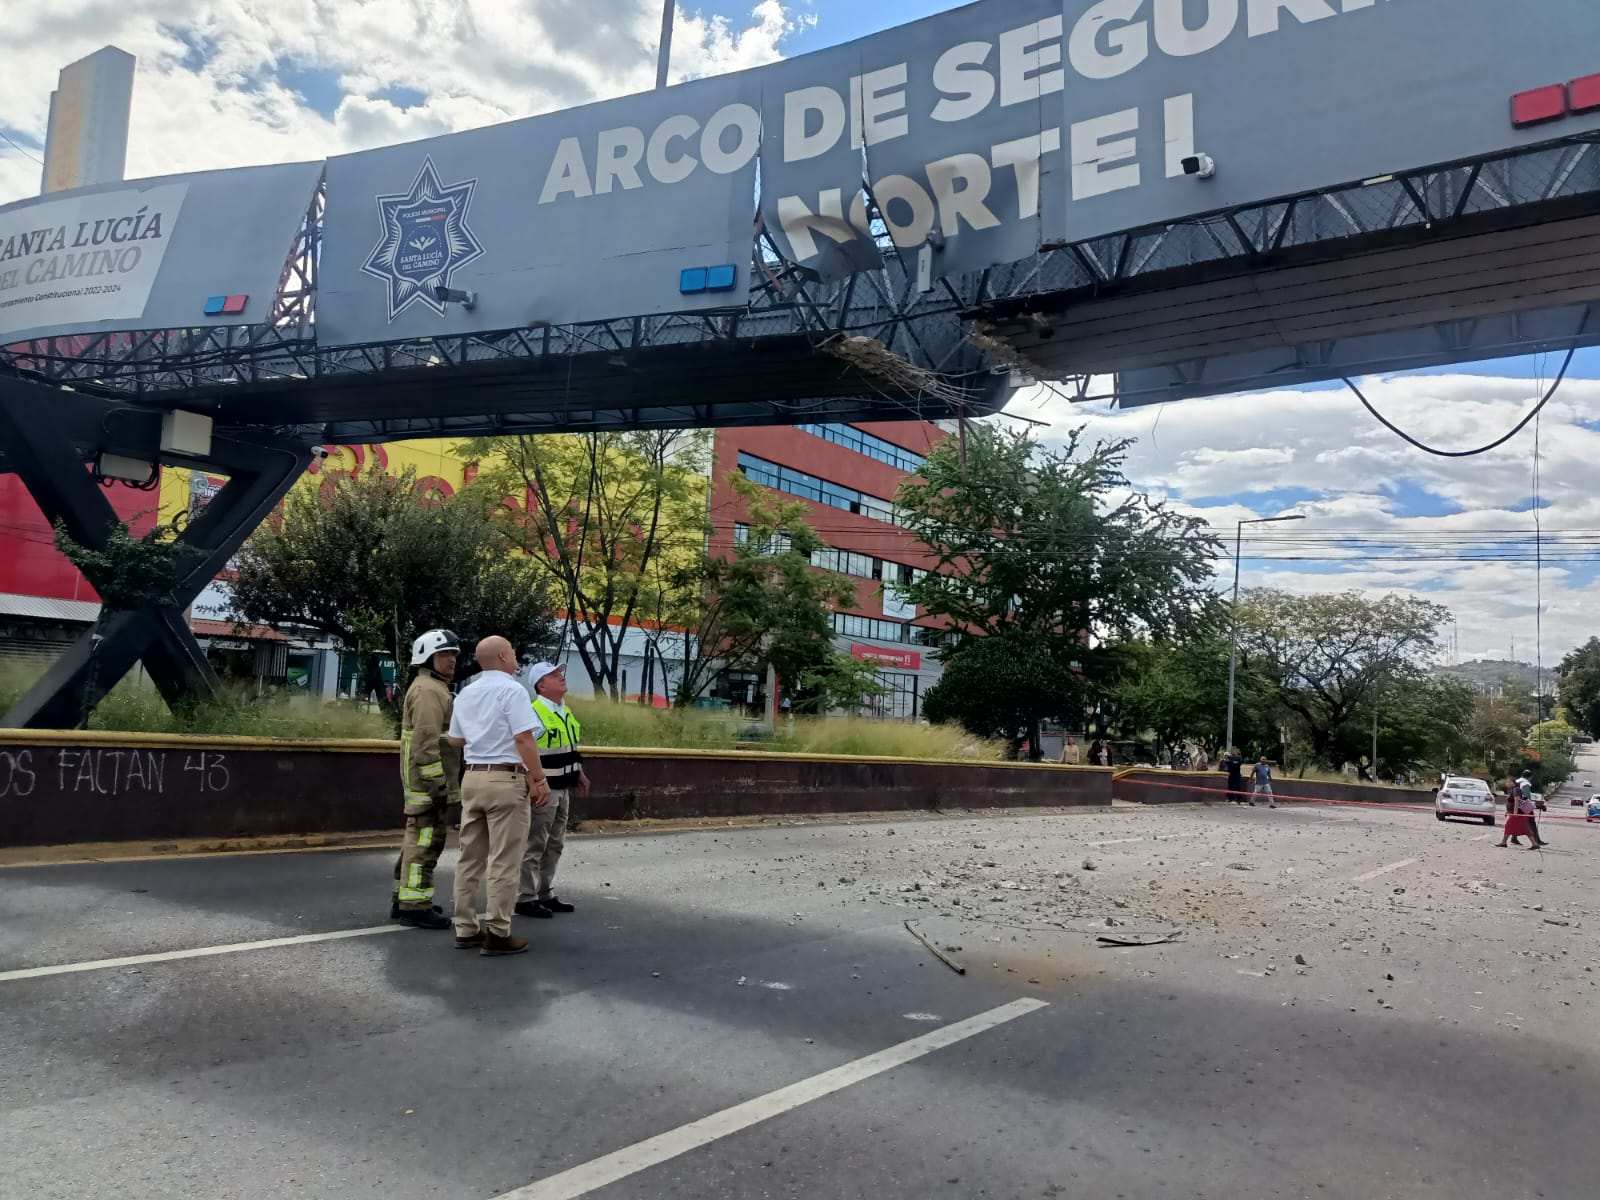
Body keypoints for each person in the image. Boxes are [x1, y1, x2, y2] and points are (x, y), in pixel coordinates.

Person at [447, 636, 551, 957]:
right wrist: (539, 778)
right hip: (506, 778)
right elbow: (524, 738)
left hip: (473, 777)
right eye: (514, 652)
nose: (516, 657)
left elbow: (455, 740)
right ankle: (497, 932)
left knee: (469, 858)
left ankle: (465, 928)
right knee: (505, 859)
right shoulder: (512, 690)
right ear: (504, 655)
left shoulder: (466, 692)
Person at [390, 629, 462, 930]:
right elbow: (425, 744)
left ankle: (403, 898)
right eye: (445, 654)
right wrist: (439, 786)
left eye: (454, 654)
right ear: (428, 657)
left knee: (416, 840)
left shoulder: (432, 687)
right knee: (425, 842)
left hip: (425, 784)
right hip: (428, 786)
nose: (452, 660)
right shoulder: (430, 691)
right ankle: (415, 905)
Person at [516, 662, 589, 919]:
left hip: (563, 787)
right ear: (541, 685)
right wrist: (535, 784)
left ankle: (545, 892)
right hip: (545, 790)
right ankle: (525, 897)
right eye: (554, 675)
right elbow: (524, 751)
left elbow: (569, 747)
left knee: (555, 843)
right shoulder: (534, 713)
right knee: (536, 843)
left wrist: (578, 772)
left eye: (560, 673)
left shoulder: (564, 711)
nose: (561, 677)